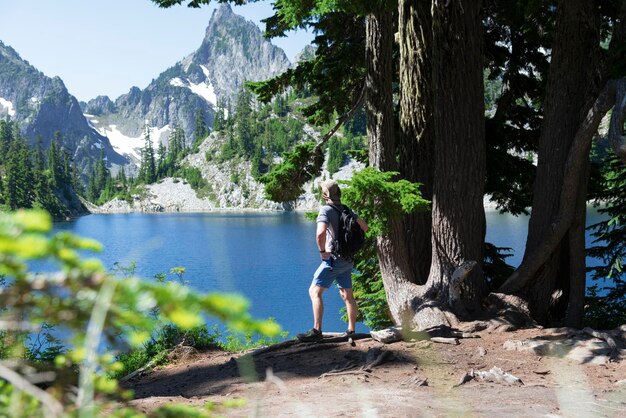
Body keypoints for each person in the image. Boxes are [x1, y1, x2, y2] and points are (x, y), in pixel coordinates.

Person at [297, 179, 368, 342]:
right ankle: (351, 330)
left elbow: (320, 234)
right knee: (347, 296)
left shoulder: (326, 210)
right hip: (347, 259)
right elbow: (365, 227)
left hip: (333, 259)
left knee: (314, 292)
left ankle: (316, 331)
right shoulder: (346, 209)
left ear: (325, 194)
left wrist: (322, 252)